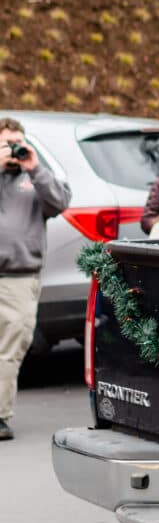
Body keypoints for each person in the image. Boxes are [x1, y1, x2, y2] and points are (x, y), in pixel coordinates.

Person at [0, 117, 71, 440]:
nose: (12, 149)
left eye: (16, 142)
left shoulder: (36, 179)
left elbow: (59, 202)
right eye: (5, 143)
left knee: (10, 349)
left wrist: (34, 166)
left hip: (18, 278)